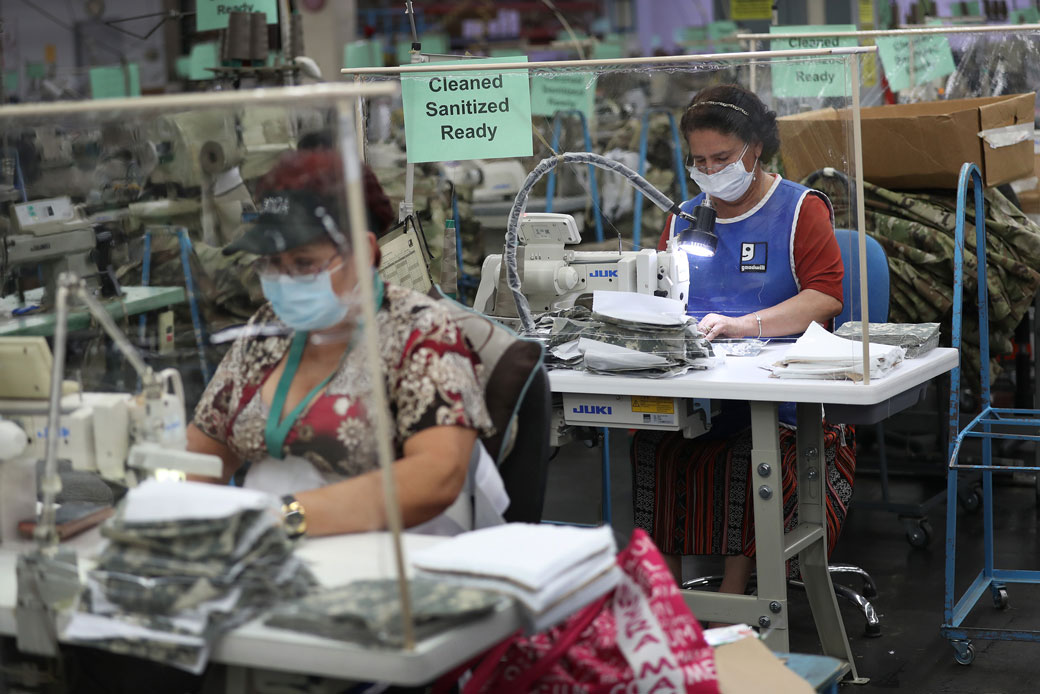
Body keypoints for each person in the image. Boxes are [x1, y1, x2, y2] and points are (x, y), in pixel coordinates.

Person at [186, 149, 493, 537]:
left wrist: (283, 519)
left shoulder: (419, 331)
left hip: (392, 557)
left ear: (363, 253)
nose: (283, 280)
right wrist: (165, 513)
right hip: (273, 554)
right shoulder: (266, 333)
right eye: (271, 263)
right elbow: (202, 455)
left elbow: (436, 476)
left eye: (303, 263)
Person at [632, 84, 856, 597]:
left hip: (786, 407)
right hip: (705, 393)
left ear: (754, 149)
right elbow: (665, 298)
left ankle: (739, 607)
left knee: (749, 455)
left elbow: (826, 297)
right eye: (699, 161)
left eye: (722, 158)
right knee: (652, 445)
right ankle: (667, 610)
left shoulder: (801, 210)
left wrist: (747, 324)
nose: (710, 172)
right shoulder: (686, 218)